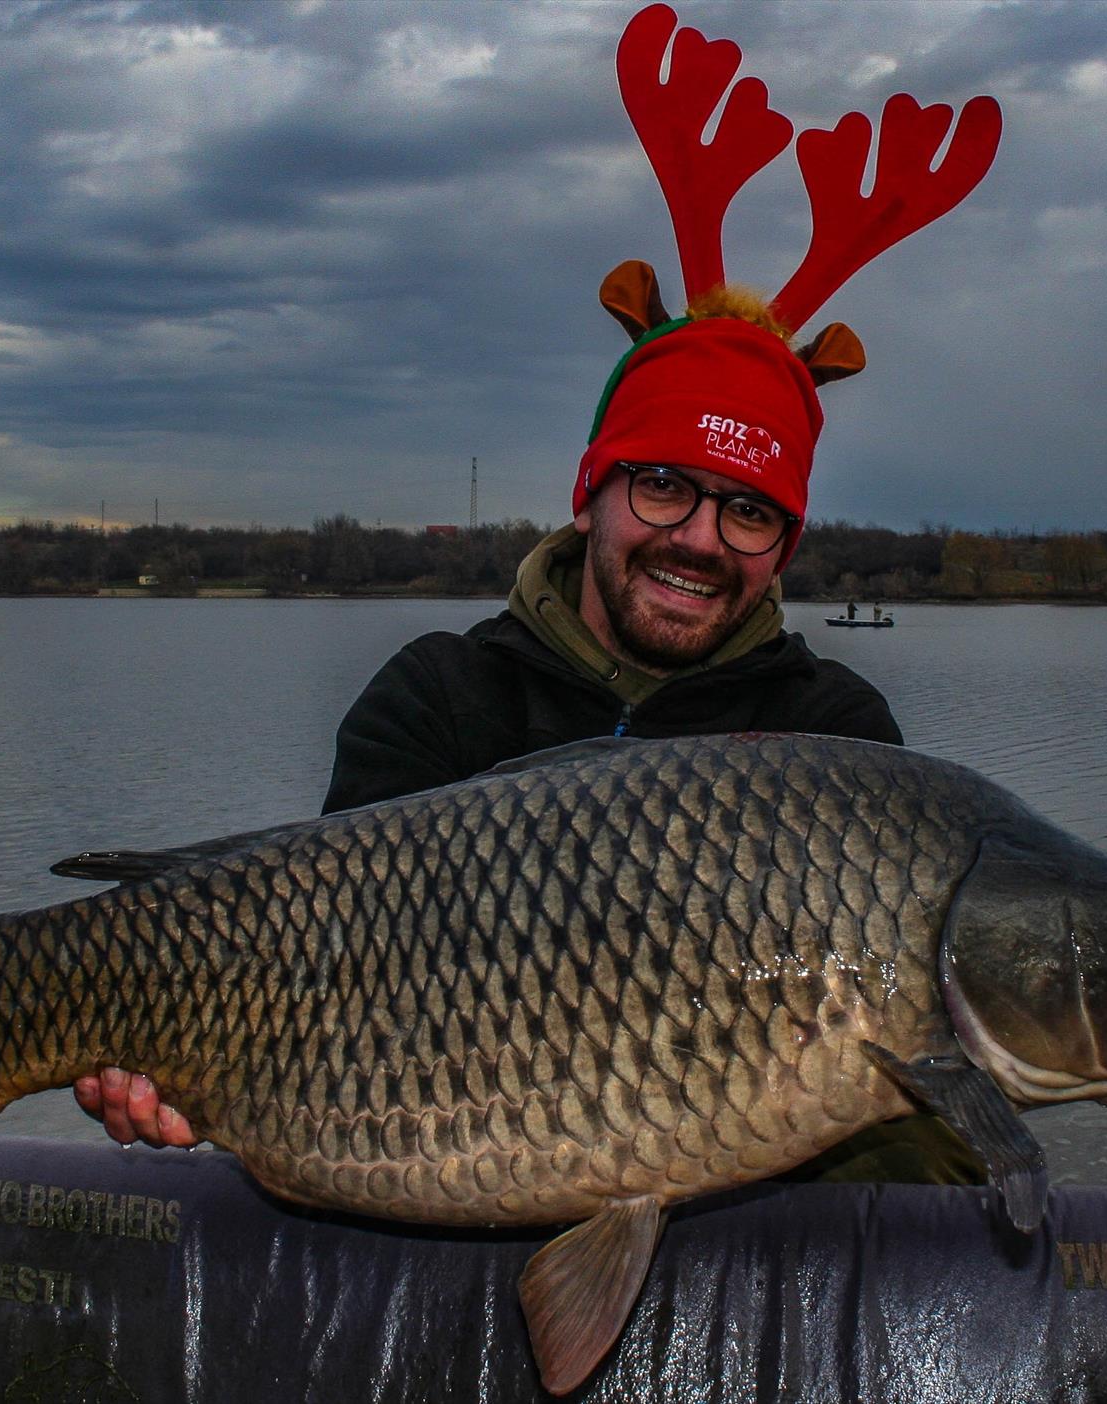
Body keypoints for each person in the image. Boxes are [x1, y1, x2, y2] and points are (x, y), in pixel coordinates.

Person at [74, 304, 982, 1185]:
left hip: (743, 1244)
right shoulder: (438, 696)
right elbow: (320, 970)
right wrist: (197, 1079)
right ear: (589, 496)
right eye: (664, 486)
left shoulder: (837, 734)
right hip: (451, 1173)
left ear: (783, 548)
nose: (701, 540)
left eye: (750, 511)